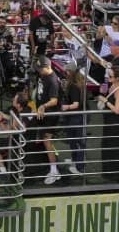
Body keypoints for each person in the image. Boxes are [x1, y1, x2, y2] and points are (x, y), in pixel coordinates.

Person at [98, 65, 119, 183]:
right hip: (109, 121)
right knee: (106, 146)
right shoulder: (112, 86)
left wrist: (106, 102)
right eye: (108, 75)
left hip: (115, 122)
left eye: (110, 76)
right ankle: (107, 173)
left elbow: (117, 110)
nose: (108, 77)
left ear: (117, 78)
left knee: (113, 147)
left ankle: (115, 175)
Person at [34, 55, 61, 184]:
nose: (39, 71)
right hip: (42, 114)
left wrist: (43, 106)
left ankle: (54, 170)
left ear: (47, 67)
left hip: (50, 115)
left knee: (47, 140)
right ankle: (53, 164)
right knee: (44, 140)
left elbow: (54, 100)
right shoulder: (43, 75)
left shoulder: (53, 81)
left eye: (41, 69)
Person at [60, 61, 85, 175]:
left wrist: (66, 107)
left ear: (70, 72)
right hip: (76, 116)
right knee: (74, 141)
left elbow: (76, 104)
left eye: (67, 71)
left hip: (75, 117)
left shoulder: (74, 86)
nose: (65, 73)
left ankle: (79, 167)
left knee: (77, 141)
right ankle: (75, 161)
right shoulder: (79, 83)